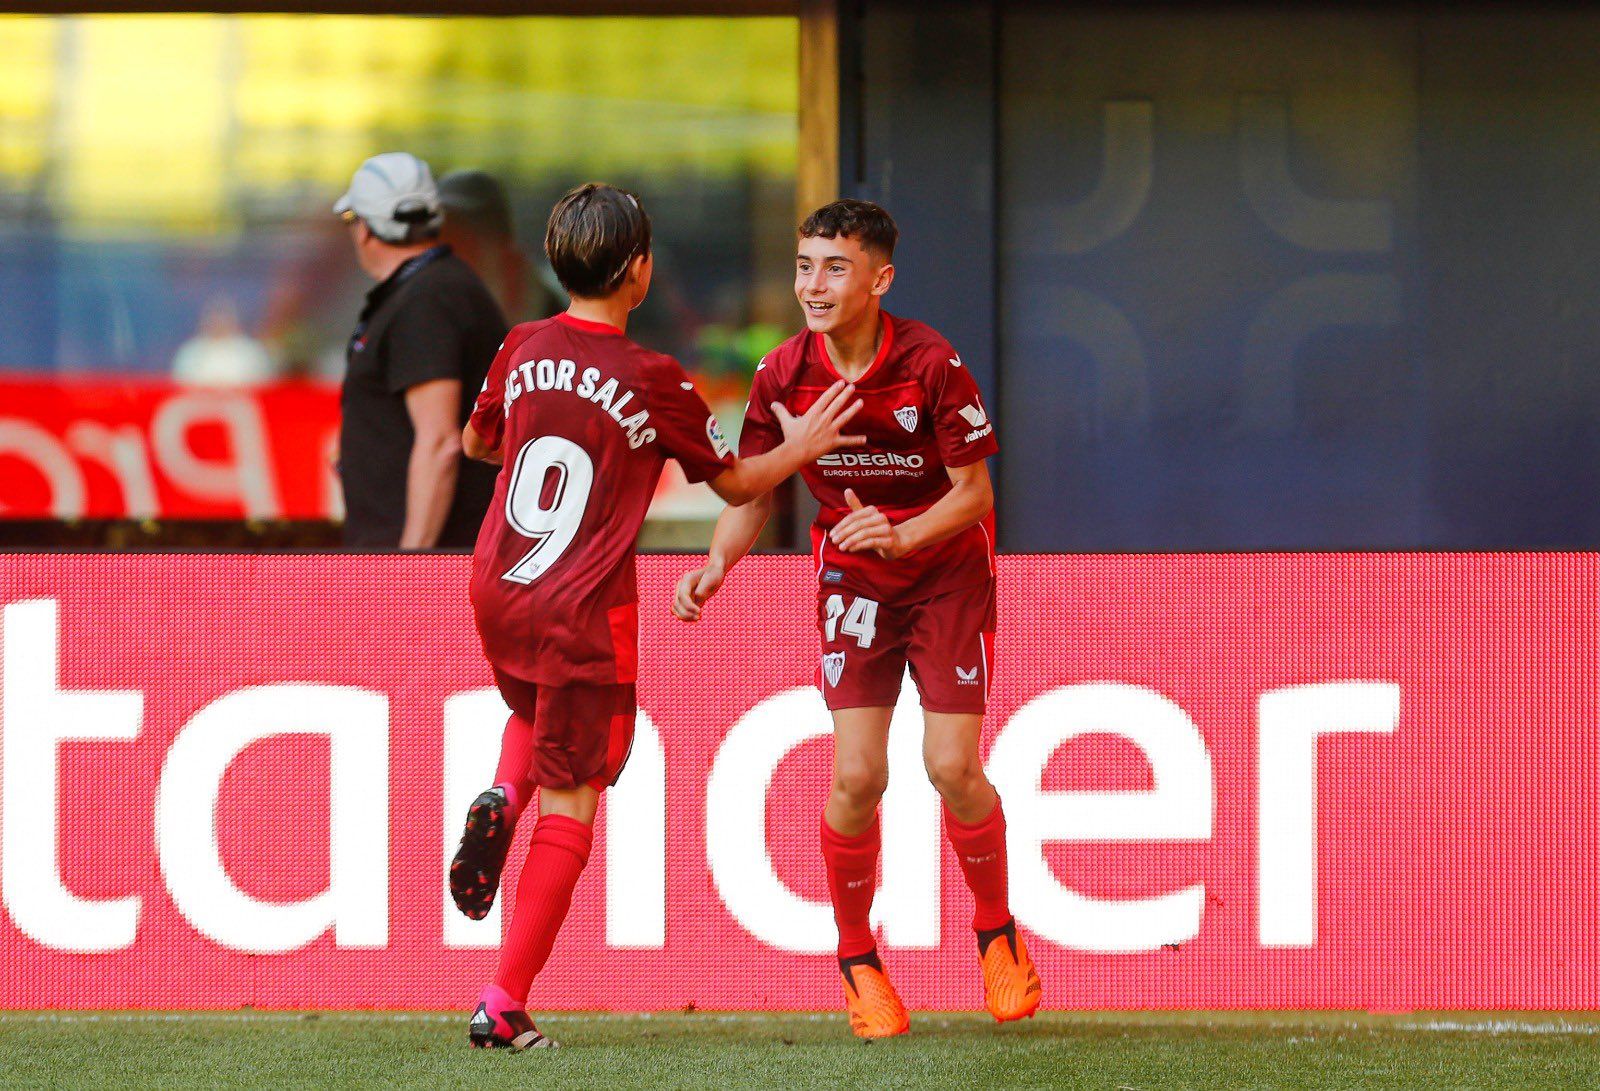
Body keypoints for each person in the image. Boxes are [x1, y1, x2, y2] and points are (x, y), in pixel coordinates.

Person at [447, 182, 866, 1050]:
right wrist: (801, 445)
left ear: (558, 262)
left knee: (530, 709)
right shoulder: (653, 379)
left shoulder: (522, 345)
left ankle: (503, 791)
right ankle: (503, 999)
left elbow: (477, 442)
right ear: (640, 271)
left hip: (498, 588)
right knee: (574, 800)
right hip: (581, 612)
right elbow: (738, 485)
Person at [671, 199, 1040, 1038]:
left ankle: (996, 934)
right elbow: (755, 488)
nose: (814, 284)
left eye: (835, 268)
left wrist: (903, 532)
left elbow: (976, 494)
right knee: (856, 778)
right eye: (805, 266)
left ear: (880, 280)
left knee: (952, 765)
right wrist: (718, 562)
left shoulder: (930, 363)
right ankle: (858, 962)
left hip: (945, 572)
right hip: (855, 581)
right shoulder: (781, 375)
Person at [334, 152, 507, 548]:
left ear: (365, 229)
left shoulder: (428, 299)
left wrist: (410, 565)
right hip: (419, 549)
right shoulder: (433, 289)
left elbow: (440, 441)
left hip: (429, 558)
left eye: (350, 220)